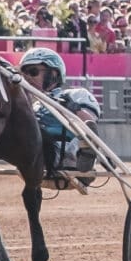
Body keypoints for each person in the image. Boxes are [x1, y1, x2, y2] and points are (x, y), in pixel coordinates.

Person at [18, 46, 100, 177]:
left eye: (33, 72)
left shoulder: (75, 94)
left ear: (53, 74)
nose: (27, 78)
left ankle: (86, 148)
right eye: (24, 74)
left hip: (66, 153)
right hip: (36, 154)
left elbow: (91, 120)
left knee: (86, 128)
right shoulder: (33, 105)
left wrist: (72, 108)